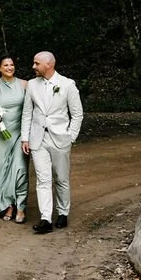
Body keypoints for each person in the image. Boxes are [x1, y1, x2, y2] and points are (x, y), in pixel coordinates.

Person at [21, 51, 84, 234]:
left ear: (49, 64)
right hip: (38, 139)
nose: (33, 66)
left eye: (36, 63)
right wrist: (25, 137)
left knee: (61, 178)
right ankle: (46, 219)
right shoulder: (32, 84)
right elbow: (27, 112)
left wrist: (71, 137)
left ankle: (63, 212)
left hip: (60, 138)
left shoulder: (67, 84)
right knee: (43, 179)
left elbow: (77, 114)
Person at [0, 55, 29, 223]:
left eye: (11, 65)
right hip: (0, 135)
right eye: (5, 65)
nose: (9, 67)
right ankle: (8, 204)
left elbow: (31, 108)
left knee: (20, 168)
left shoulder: (25, 85)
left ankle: (21, 207)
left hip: (20, 133)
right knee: (2, 170)